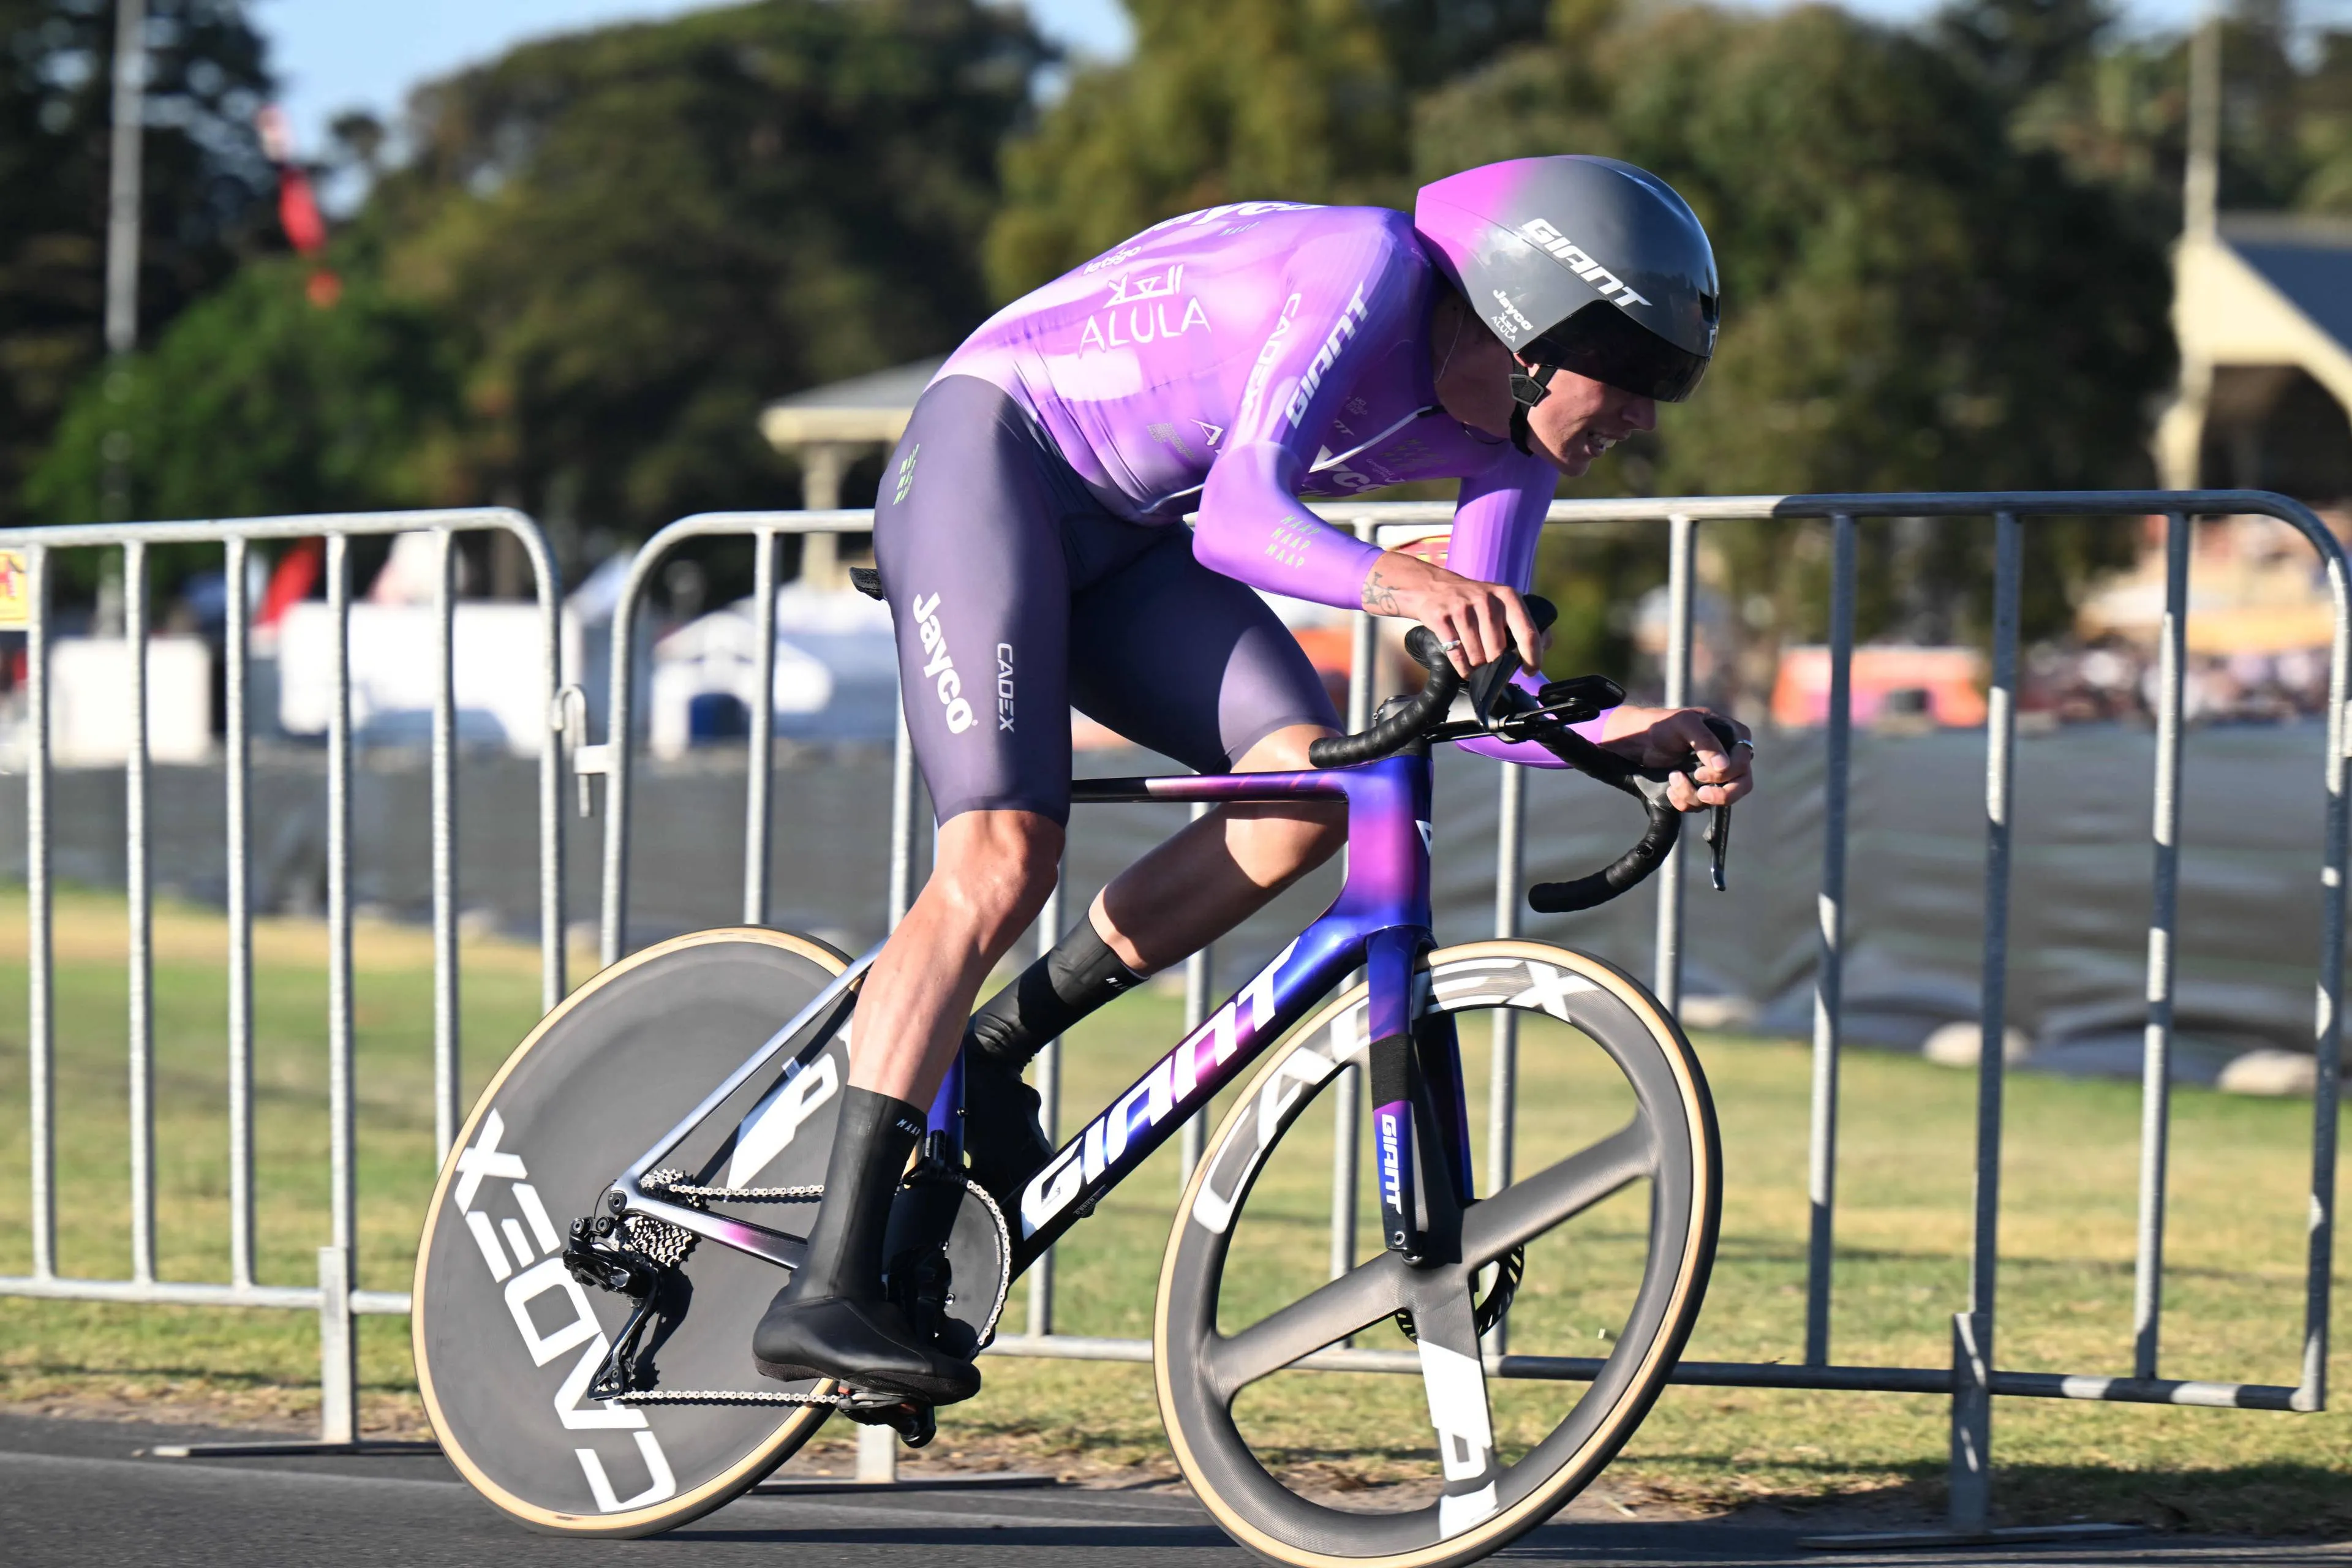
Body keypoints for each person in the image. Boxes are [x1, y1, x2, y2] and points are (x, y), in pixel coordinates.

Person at [751, 156, 1755, 1404]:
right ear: (1534, 330)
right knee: (1005, 854)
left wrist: (1625, 731)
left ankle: (998, 1045)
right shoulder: (1368, 274)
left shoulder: (1515, 452)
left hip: (1125, 543)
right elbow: (1240, 521)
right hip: (988, 460)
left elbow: (1480, 684)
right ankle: (826, 1282)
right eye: (1641, 374)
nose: (1650, 418)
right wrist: (1409, 580)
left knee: (1302, 806)